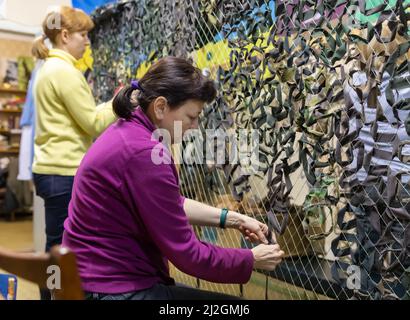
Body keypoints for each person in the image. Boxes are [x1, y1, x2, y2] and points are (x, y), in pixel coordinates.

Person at [62, 56, 285, 300]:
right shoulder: (144, 153)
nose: (196, 126)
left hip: (94, 279)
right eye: (191, 116)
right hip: (112, 288)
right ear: (160, 107)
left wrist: (232, 219)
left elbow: (169, 203)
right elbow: (188, 256)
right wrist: (251, 259)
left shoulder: (129, 131)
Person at [31, 6, 117, 254]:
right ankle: (54, 292)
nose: (87, 43)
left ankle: (53, 291)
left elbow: (82, 116)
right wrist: (118, 103)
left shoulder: (49, 68)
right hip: (63, 173)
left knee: (57, 247)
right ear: (65, 36)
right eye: (84, 35)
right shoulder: (64, 72)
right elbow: (93, 123)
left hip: (53, 170)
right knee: (60, 251)